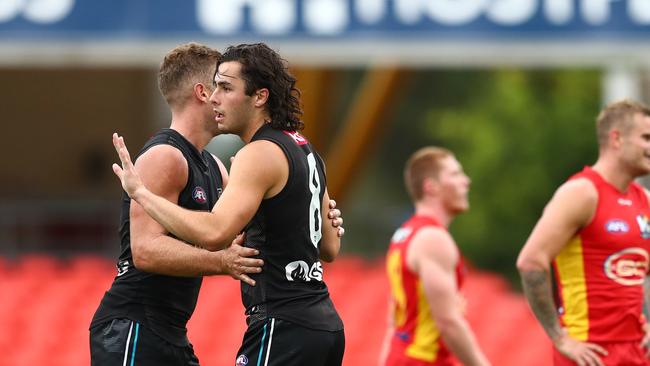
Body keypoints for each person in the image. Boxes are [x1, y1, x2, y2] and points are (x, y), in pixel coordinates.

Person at [111, 43, 345, 366]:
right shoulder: (306, 150)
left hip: (281, 323)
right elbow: (330, 246)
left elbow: (215, 233)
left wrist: (143, 194)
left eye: (225, 87)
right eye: (214, 86)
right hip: (324, 324)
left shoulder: (256, 154)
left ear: (259, 97)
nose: (214, 97)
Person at [517, 99, 650, 366]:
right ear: (616, 139)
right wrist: (560, 338)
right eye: (646, 138)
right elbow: (531, 262)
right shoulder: (582, 193)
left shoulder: (645, 200)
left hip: (636, 352)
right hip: (591, 353)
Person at [381, 147, 491, 366]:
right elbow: (448, 323)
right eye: (455, 174)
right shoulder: (433, 239)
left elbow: (395, 319)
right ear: (431, 186)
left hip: (401, 356)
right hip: (424, 360)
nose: (466, 181)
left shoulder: (405, 234)